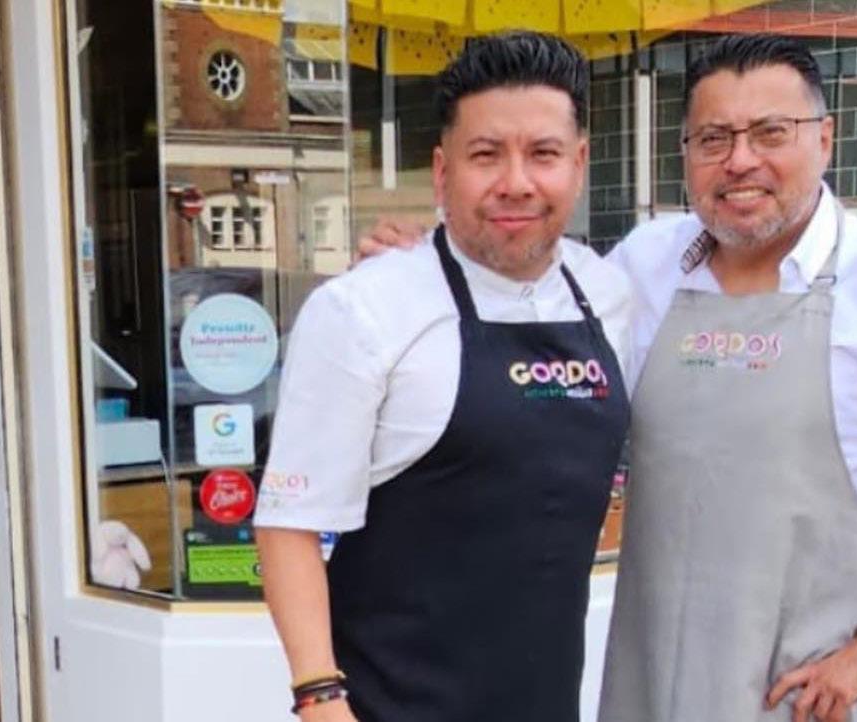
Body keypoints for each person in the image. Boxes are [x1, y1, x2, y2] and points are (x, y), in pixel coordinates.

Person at [360, 33, 857, 722]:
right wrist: (424, 262)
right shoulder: (645, 264)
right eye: (713, 139)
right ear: (686, 154)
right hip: (644, 687)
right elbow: (521, 304)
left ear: (825, 140)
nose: (741, 161)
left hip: (790, 698)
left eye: (771, 132)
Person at [254, 33, 634, 722]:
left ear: (579, 164)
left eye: (543, 154)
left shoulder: (609, 294)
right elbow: (289, 525)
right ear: (441, 171)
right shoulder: (363, 310)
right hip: (387, 705)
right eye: (485, 155)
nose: (516, 181)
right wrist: (319, 698)